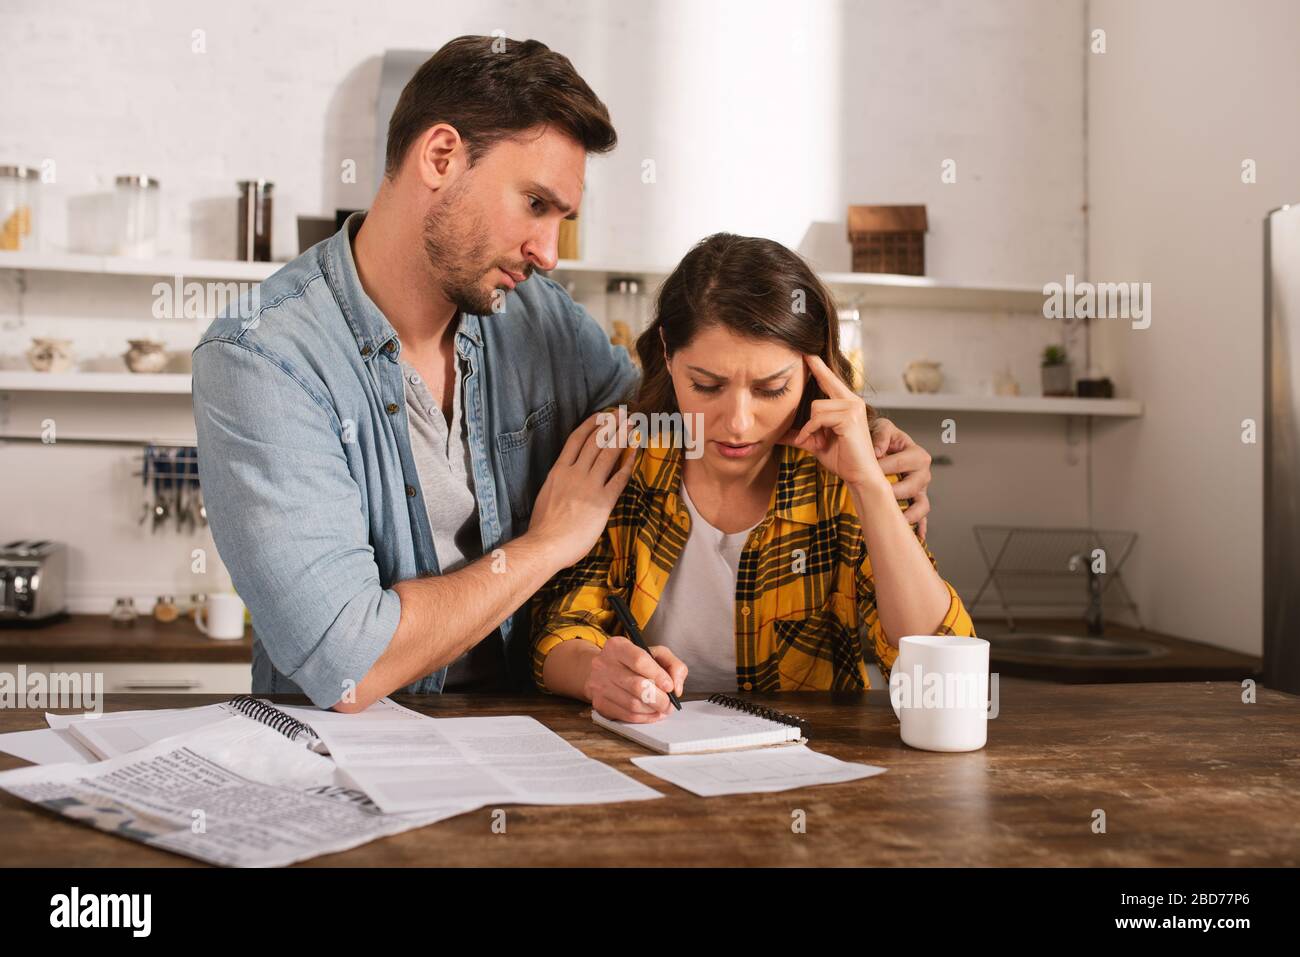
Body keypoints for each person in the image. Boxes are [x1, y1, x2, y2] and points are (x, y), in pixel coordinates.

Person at [193, 36, 936, 713]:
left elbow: (675, 416)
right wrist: (549, 544)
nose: (549, 252)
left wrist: (869, 452)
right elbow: (347, 659)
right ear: (441, 156)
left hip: (532, 747)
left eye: (563, 218)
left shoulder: (538, 320)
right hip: (346, 761)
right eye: (536, 204)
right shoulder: (263, 359)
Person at [532, 233, 976, 722]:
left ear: (814, 371)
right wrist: (599, 673)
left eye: (771, 388)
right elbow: (561, 627)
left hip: (809, 772)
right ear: (667, 350)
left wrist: (870, 487)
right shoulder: (625, 460)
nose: (738, 422)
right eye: (706, 385)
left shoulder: (847, 476)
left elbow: (942, 684)